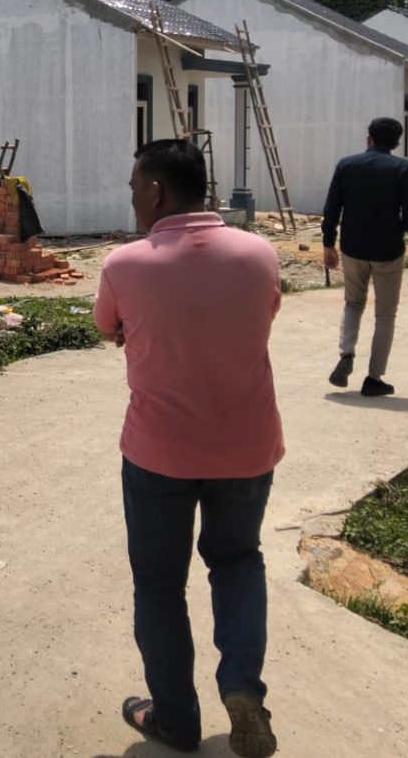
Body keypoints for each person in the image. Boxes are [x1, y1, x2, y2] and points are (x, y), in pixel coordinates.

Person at [95, 139, 283, 758]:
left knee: (158, 585)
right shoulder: (259, 254)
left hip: (159, 452)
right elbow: (263, 318)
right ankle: (242, 686)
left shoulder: (125, 264)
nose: (132, 200)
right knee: (237, 560)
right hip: (247, 446)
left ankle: (175, 721)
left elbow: (107, 327)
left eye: (134, 189)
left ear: (156, 192)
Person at [321, 116, 408, 398]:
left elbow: (332, 208)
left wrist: (328, 244)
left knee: (353, 303)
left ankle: (346, 353)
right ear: (397, 143)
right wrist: (400, 229)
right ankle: (374, 378)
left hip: (352, 248)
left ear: (369, 138)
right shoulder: (403, 168)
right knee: (385, 314)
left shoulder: (346, 165)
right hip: (388, 250)